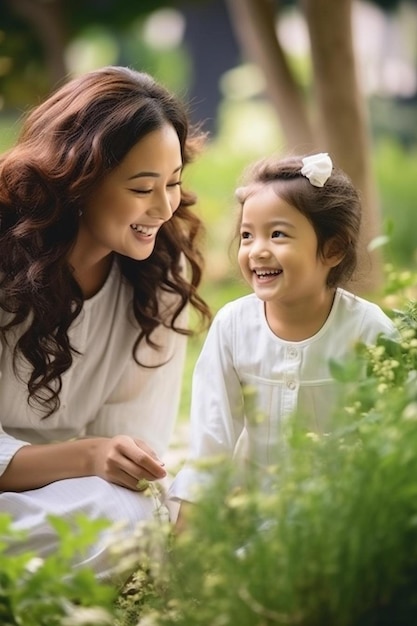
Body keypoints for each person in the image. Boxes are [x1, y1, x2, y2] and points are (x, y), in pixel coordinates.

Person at [0, 65, 211, 578]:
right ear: (79, 181)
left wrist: (113, 463)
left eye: (174, 183)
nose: (164, 207)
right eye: (142, 188)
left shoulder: (162, 274)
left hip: (61, 506)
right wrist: (87, 455)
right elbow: (97, 457)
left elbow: (129, 451)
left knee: (132, 516)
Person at [168, 152, 398, 523]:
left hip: (341, 519)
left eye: (277, 234)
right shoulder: (232, 326)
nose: (257, 250)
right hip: (252, 511)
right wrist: (190, 539)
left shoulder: (369, 330)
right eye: (247, 235)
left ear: (333, 248)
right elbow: (212, 442)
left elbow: (393, 440)